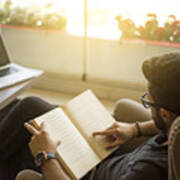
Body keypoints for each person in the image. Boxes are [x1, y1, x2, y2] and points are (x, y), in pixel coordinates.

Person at [1, 52, 180, 180]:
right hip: (112, 159)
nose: (146, 103)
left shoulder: (149, 171)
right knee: (29, 106)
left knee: (20, 150)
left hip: (83, 174)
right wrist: (134, 129)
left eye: (148, 101)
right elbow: (167, 122)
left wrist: (46, 155)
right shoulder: (174, 125)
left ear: (165, 114)